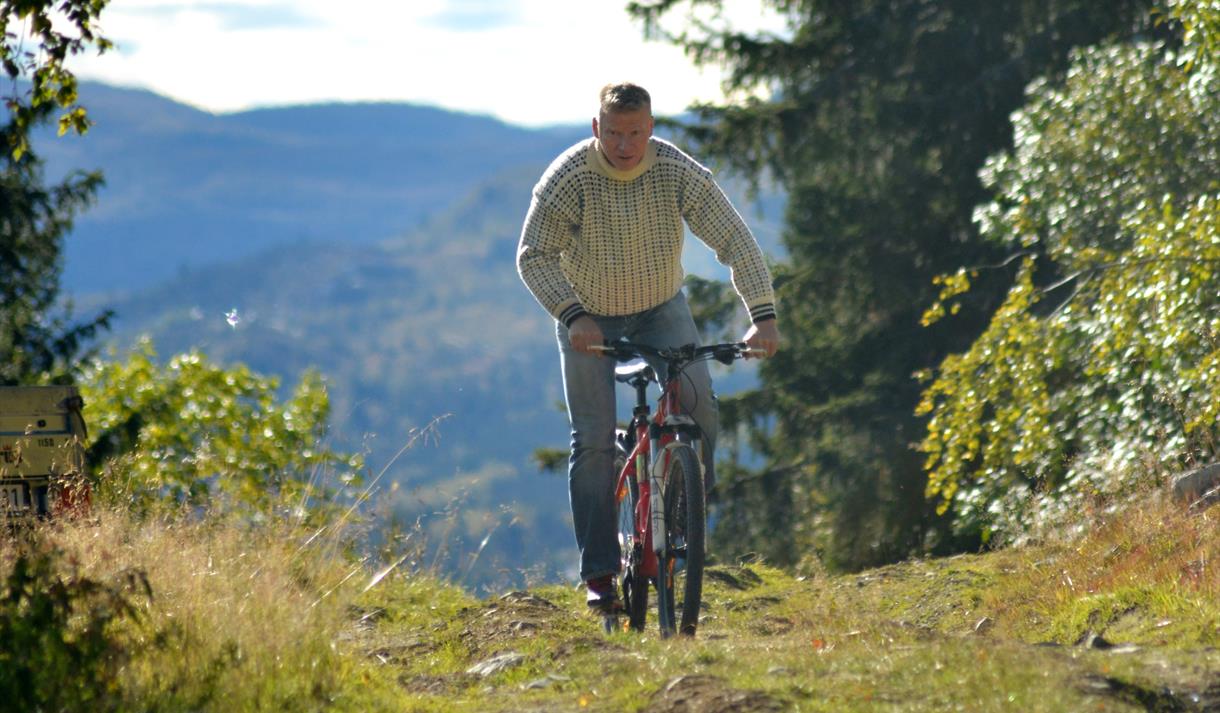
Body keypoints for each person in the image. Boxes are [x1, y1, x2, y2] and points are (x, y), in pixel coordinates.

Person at [516, 82, 780, 612]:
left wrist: (763, 316)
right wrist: (572, 315)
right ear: (597, 129)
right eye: (613, 132)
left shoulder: (676, 170)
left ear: (651, 129)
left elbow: (734, 238)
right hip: (588, 318)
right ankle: (599, 575)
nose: (624, 143)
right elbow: (533, 255)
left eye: (635, 132)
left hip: (661, 308)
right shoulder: (568, 177)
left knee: (700, 405)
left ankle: (682, 526)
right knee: (591, 443)